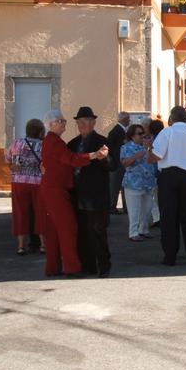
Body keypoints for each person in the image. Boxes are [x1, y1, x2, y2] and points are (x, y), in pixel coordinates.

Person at [41, 109, 108, 277]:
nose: (64, 123)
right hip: (57, 189)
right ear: (51, 124)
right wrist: (94, 155)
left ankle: (53, 267)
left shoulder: (53, 141)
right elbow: (71, 159)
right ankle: (71, 267)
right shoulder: (54, 141)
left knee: (55, 229)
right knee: (67, 228)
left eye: (64, 120)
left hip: (55, 188)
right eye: (61, 121)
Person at [149, 106, 186, 266]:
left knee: (169, 217)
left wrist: (149, 148)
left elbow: (156, 156)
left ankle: (170, 255)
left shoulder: (167, 132)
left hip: (169, 176)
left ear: (171, 118)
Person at [67, 107, 112, 277]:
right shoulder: (72, 144)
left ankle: (104, 265)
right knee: (82, 231)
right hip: (78, 195)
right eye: (80, 121)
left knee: (97, 231)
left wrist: (104, 158)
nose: (83, 124)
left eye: (86, 121)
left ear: (93, 122)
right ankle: (88, 265)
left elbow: (113, 165)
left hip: (96, 195)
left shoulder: (102, 141)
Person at [6, 118, 45, 255]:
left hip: (19, 181)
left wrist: (13, 166)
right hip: (38, 182)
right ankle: (43, 245)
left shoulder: (16, 143)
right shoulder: (43, 145)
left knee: (20, 213)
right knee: (40, 212)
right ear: (40, 131)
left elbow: (8, 159)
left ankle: (21, 246)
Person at [120, 124, 156, 242]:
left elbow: (153, 161)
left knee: (147, 209)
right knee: (134, 210)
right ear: (132, 136)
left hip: (148, 182)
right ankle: (133, 232)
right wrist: (136, 156)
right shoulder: (126, 147)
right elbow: (124, 163)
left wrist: (148, 149)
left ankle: (143, 230)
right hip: (133, 183)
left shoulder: (148, 147)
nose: (142, 136)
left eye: (144, 133)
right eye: (139, 134)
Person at [107, 111, 130, 215]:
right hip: (117, 163)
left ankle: (124, 207)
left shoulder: (121, 130)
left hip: (120, 163)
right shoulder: (116, 131)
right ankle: (112, 207)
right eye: (128, 119)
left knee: (122, 186)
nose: (129, 121)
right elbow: (111, 147)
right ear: (124, 119)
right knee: (115, 186)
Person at [146, 119, 165, 227]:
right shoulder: (163, 138)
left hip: (156, 172)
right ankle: (159, 218)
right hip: (160, 172)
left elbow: (152, 158)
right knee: (158, 197)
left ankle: (158, 218)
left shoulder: (155, 140)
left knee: (154, 197)